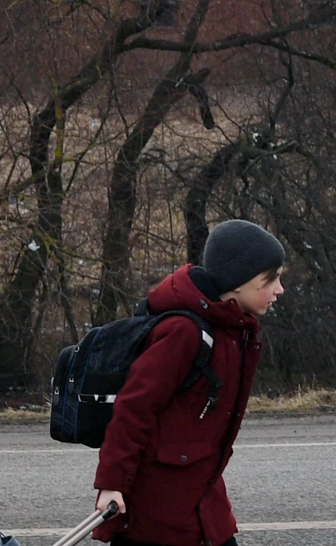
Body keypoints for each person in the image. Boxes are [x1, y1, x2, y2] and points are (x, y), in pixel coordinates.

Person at [92, 219, 289, 546]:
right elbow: (133, 409)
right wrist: (112, 484)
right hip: (157, 515)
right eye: (271, 279)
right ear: (238, 282)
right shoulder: (185, 333)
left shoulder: (232, 331)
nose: (279, 289)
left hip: (201, 501)